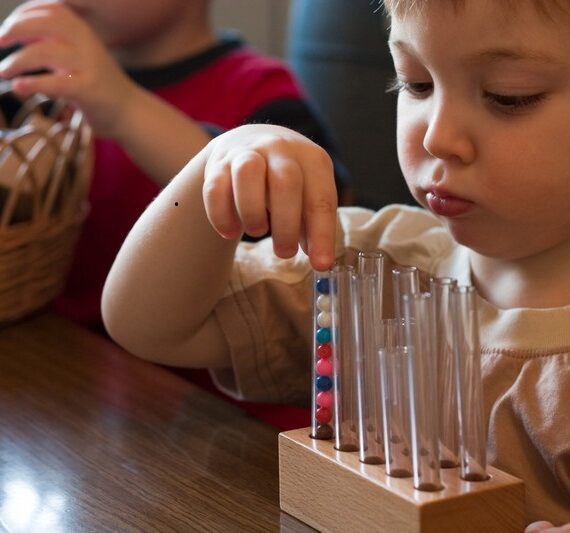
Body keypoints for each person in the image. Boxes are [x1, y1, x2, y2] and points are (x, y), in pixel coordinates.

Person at [101, 0, 570, 528]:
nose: (437, 136)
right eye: (416, 83)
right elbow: (146, 326)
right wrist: (223, 157)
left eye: (509, 96)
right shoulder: (374, 269)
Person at [0, 0, 350, 330]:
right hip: (58, 351)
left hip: (192, 377)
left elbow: (317, 226)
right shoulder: (48, 77)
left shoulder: (259, 91)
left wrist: (123, 107)